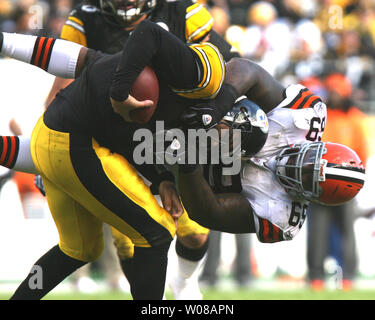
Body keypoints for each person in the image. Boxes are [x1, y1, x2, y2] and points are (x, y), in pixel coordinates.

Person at [0, 19, 243, 299]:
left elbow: (128, 138)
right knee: (157, 231)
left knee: (79, 249)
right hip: (73, 144)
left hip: (54, 138)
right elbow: (148, 34)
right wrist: (119, 94)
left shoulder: (131, 70)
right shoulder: (148, 82)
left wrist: (162, 177)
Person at [178, 61, 366, 242]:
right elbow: (247, 69)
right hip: (201, 108)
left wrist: (187, 159)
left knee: (193, 237)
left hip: (183, 172)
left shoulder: (283, 218)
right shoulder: (306, 115)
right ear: (319, 146)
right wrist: (214, 109)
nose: (299, 167)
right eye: (311, 159)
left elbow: (208, 212)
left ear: (314, 198)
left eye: (309, 179)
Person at [306, 73, 369, 291]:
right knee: (317, 232)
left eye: (337, 91)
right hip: (320, 183)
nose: (333, 95)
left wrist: (357, 182)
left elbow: (362, 153)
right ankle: (315, 276)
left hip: (346, 185)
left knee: (346, 232)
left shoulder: (355, 117)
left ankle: (348, 275)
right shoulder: (321, 116)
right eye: (330, 91)